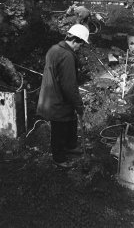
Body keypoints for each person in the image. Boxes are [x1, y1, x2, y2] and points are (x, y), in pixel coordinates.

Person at [37, 24, 89, 167]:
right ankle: (59, 158)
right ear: (75, 40)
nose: (80, 47)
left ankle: (70, 146)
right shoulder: (67, 56)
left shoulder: (54, 49)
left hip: (53, 95)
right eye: (81, 44)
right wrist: (79, 105)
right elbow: (69, 85)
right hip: (57, 99)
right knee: (59, 129)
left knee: (70, 122)